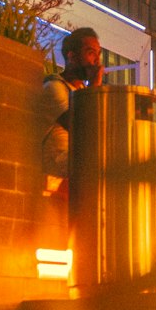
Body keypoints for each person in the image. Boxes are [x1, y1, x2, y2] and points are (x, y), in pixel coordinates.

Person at [39, 26, 103, 193]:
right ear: (72, 57)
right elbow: (78, 127)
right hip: (58, 164)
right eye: (91, 53)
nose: (96, 60)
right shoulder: (54, 87)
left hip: (77, 164)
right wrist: (95, 86)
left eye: (98, 53)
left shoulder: (83, 92)